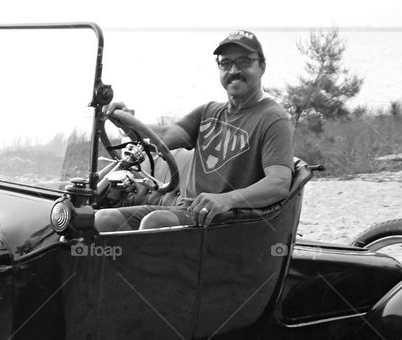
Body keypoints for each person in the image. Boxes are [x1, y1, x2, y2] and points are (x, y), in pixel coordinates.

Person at [96, 30, 293, 231]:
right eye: (225, 63)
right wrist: (128, 121)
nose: (234, 70)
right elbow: (164, 137)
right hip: (185, 211)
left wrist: (226, 200)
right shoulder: (208, 112)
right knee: (102, 219)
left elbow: (278, 183)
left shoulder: (273, 118)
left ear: (262, 66)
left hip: (221, 221)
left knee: (155, 223)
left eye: (244, 61)